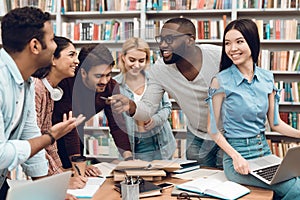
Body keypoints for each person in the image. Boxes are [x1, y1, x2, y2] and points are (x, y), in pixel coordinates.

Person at [206, 18, 300, 199]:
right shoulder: (220, 81)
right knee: (296, 190)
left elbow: (276, 123)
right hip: (238, 159)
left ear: (252, 42)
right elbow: (212, 130)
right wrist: (235, 157)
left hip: (265, 154)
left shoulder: (267, 78)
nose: (232, 48)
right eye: (227, 43)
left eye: (239, 41)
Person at [111, 17, 223, 167]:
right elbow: (148, 108)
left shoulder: (218, 56)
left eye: (169, 39)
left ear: (190, 40)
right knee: (197, 181)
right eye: (161, 39)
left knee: (230, 181)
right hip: (197, 135)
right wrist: (131, 106)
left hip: (228, 133)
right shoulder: (160, 69)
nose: (163, 45)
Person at [0, 7, 85, 200]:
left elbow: (31, 138)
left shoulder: (27, 82)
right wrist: (50, 137)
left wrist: (52, 192)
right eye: (53, 39)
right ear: (35, 46)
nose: (55, 46)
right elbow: (2, 154)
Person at [32, 36, 101, 190]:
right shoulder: (36, 89)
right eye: (71, 55)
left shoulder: (50, 91)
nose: (77, 61)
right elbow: (35, 143)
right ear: (53, 59)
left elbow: (48, 143)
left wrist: (59, 174)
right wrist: (57, 181)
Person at [54, 43, 133, 163]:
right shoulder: (67, 83)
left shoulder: (110, 87)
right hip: (54, 137)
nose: (104, 81)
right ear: (83, 73)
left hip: (77, 135)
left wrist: (128, 158)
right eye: (98, 76)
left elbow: (116, 124)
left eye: (108, 75)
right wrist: (78, 165)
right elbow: (70, 127)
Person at [113, 37, 176, 161]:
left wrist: (155, 120)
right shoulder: (115, 85)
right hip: (134, 146)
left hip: (161, 143)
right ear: (123, 57)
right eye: (132, 60)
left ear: (147, 60)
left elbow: (167, 107)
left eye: (141, 60)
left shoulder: (155, 79)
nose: (136, 65)